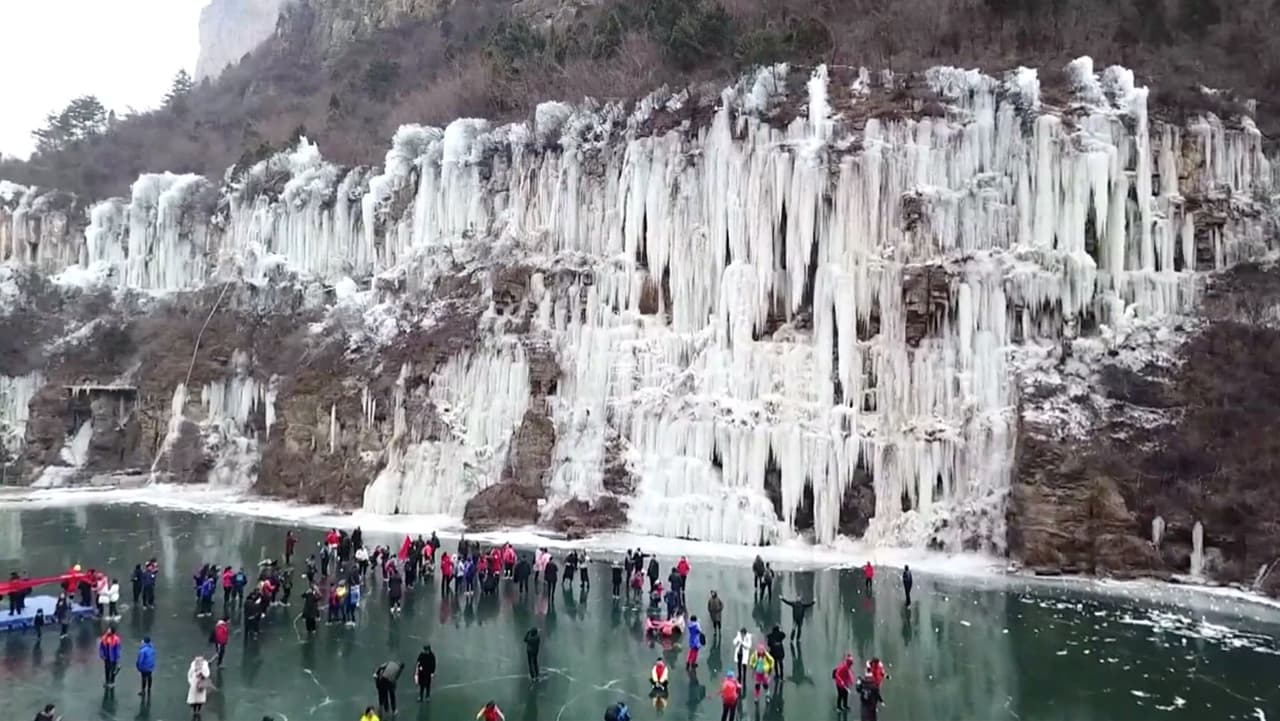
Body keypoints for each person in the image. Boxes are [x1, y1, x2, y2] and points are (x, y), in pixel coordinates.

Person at [187, 655, 212, 720]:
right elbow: (189, 674)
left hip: (201, 684)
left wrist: (202, 674)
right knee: (194, 699)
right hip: (194, 684)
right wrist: (191, 682)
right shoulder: (193, 666)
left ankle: (198, 710)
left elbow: (207, 674)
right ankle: (195, 710)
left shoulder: (204, 666)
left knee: (200, 699)